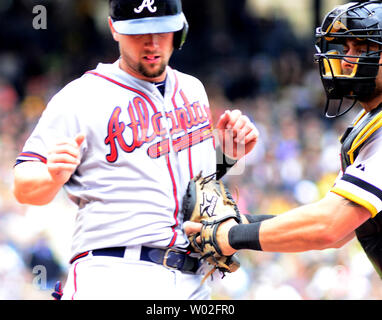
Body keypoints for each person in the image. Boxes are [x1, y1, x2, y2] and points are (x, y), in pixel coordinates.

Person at [12, 0, 258, 300]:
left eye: (161, 30)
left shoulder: (193, 89)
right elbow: (24, 186)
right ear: (114, 29)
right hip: (116, 273)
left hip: (194, 279)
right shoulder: (80, 97)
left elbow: (194, 187)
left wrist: (229, 153)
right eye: (138, 32)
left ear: (180, 29)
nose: (151, 43)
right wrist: (51, 176)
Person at [185, 0, 382, 279]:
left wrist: (231, 234)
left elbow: (330, 225)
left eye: (363, 50)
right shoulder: (370, 123)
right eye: (347, 48)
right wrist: (238, 224)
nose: (348, 59)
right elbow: (341, 230)